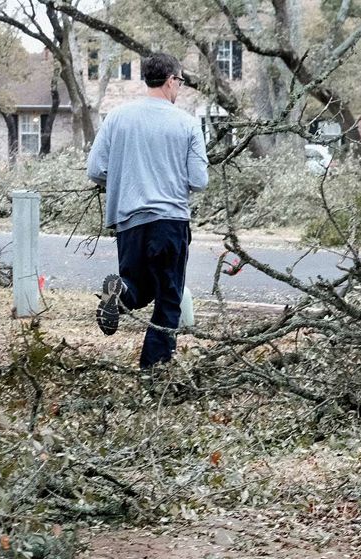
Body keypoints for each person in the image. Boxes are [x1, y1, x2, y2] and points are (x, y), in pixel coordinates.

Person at [87, 52, 209, 369]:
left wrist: (126, 179)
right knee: (168, 299)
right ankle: (154, 373)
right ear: (170, 80)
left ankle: (121, 294)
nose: (179, 87)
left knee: (137, 286)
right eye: (180, 81)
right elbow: (199, 180)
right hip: (169, 221)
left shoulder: (116, 118)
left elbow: (96, 169)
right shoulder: (187, 123)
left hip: (128, 220)